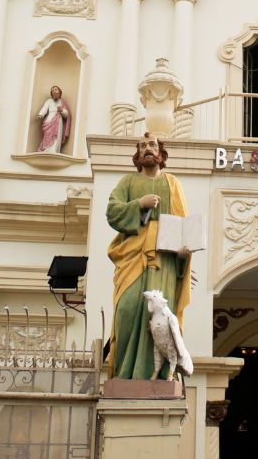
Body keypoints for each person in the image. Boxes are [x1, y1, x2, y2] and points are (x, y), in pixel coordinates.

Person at [105, 133, 192, 380]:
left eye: (152, 145)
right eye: (143, 146)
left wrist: (184, 253)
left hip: (163, 261)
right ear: (137, 154)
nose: (147, 149)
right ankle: (123, 374)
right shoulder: (128, 182)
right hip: (132, 256)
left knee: (160, 321)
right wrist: (139, 204)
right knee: (127, 310)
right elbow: (112, 211)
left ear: (161, 153)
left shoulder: (172, 183)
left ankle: (160, 374)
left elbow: (183, 225)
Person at [34, 85, 71, 153]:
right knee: (47, 135)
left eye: (56, 90)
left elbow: (66, 115)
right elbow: (44, 109)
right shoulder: (49, 101)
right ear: (51, 93)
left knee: (56, 137)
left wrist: (61, 110)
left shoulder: (62, 102)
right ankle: (45, 150)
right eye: (53, 90)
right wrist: (40, 115)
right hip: (49, 120)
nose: (54, 91)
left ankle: (53, 151)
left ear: (59, 93)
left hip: (58, 122)